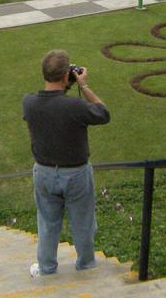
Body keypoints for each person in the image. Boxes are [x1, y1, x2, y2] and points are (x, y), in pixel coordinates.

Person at [22, 49, 111, 277]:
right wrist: (83, 86)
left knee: (47, 224)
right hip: (76, 174)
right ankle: (86, 265)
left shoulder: (29, 103)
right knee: (82, 223)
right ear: (65, 76)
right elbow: (103, 113)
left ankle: (47, 268)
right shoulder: (75, 106)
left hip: (43, 172)